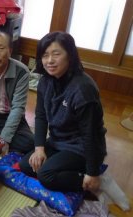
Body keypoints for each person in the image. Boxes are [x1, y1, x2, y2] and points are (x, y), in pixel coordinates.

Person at [18, 32, 130, 211]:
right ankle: (78, 174)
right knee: (26, 164)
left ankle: (98, 180)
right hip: (58, 140)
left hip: (81, 147)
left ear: (70, 55)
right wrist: (39, 148)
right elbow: (41, 116)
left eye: (56, 54)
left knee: (46, 176)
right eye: (45, 55)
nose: (50, 61)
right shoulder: (45, 82)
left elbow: (90, 135)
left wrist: (92, 171)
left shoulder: (82, 88)